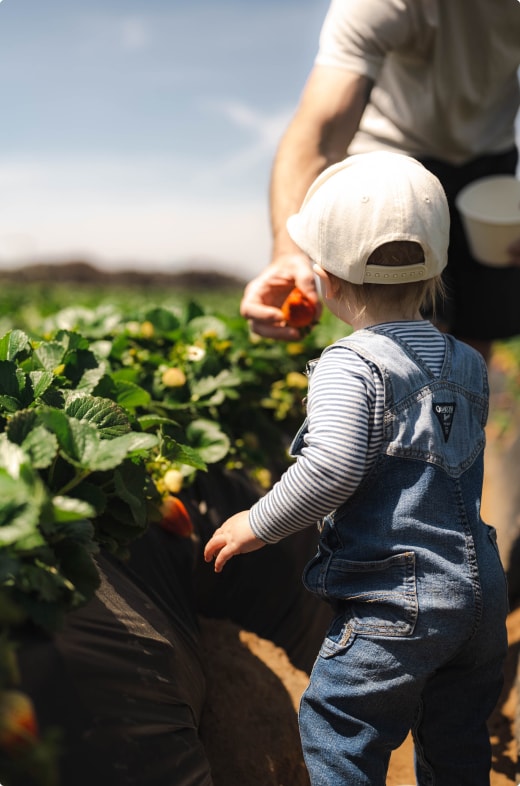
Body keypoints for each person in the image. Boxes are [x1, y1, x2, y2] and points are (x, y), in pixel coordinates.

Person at [205, 151, 509, 786]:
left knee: (338, 725)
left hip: (400, 600)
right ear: (440, 266)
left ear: (323, 278)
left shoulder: (351, 365)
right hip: (481, 593)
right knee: (455, 739)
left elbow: (332, 470)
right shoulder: (469, 364)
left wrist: (254, 523)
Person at [241, 0, 520, 364]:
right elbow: (320, 135)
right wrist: (287, 254)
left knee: (475, 336)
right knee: (391, 325)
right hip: (391, 161)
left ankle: (461, 413)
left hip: (489, 156)